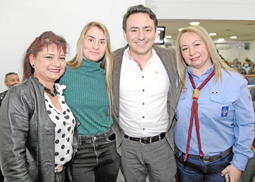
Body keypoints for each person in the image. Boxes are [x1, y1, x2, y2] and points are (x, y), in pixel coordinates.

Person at [174, 25, 254, 182]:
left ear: (208, 45)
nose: (191, 52)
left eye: (197, 44)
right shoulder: (176, 81)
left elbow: (245, 125)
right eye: (185, 48)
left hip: (222, 164)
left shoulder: (234, 81)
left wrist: (238, 164)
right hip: (186, 164)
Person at [0, 31, 78, 182]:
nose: (57, 63)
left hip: (63, 174)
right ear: (33, 60)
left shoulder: (59, 92)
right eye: (49, 57)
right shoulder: (20, 94)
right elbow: (11, 156)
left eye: (61, 58)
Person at [111, 4, 177, 182]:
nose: (141, 36)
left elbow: (200, 66)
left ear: (156, 32)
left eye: (147, 29)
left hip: (163, 145)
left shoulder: (171, 59)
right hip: (127, 147)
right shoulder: (111, 62)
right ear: (125, 34)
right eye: (134, 30)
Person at [59, 22, 120, 182]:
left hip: (108, 146)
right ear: (81, 42)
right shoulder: (63, 71)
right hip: (79, 150)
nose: (96, 46)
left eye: (102, 42)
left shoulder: (108, 74)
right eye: (91, 40)